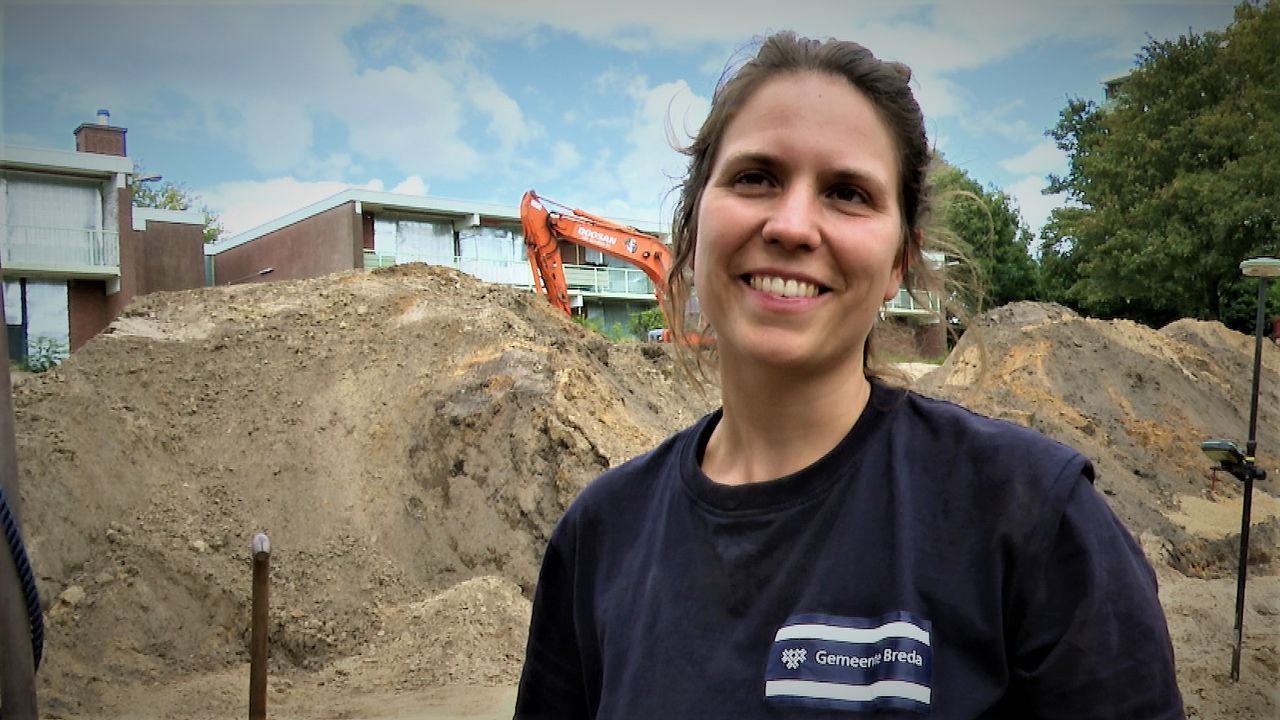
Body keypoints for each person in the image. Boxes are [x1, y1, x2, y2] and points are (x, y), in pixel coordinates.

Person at [514, 32, 1184, 719]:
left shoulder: (1035, 524)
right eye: (756, 177)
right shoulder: (600, 537)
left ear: (900, 260)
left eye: (847, 192)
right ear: (692, 223)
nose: (793, 224)